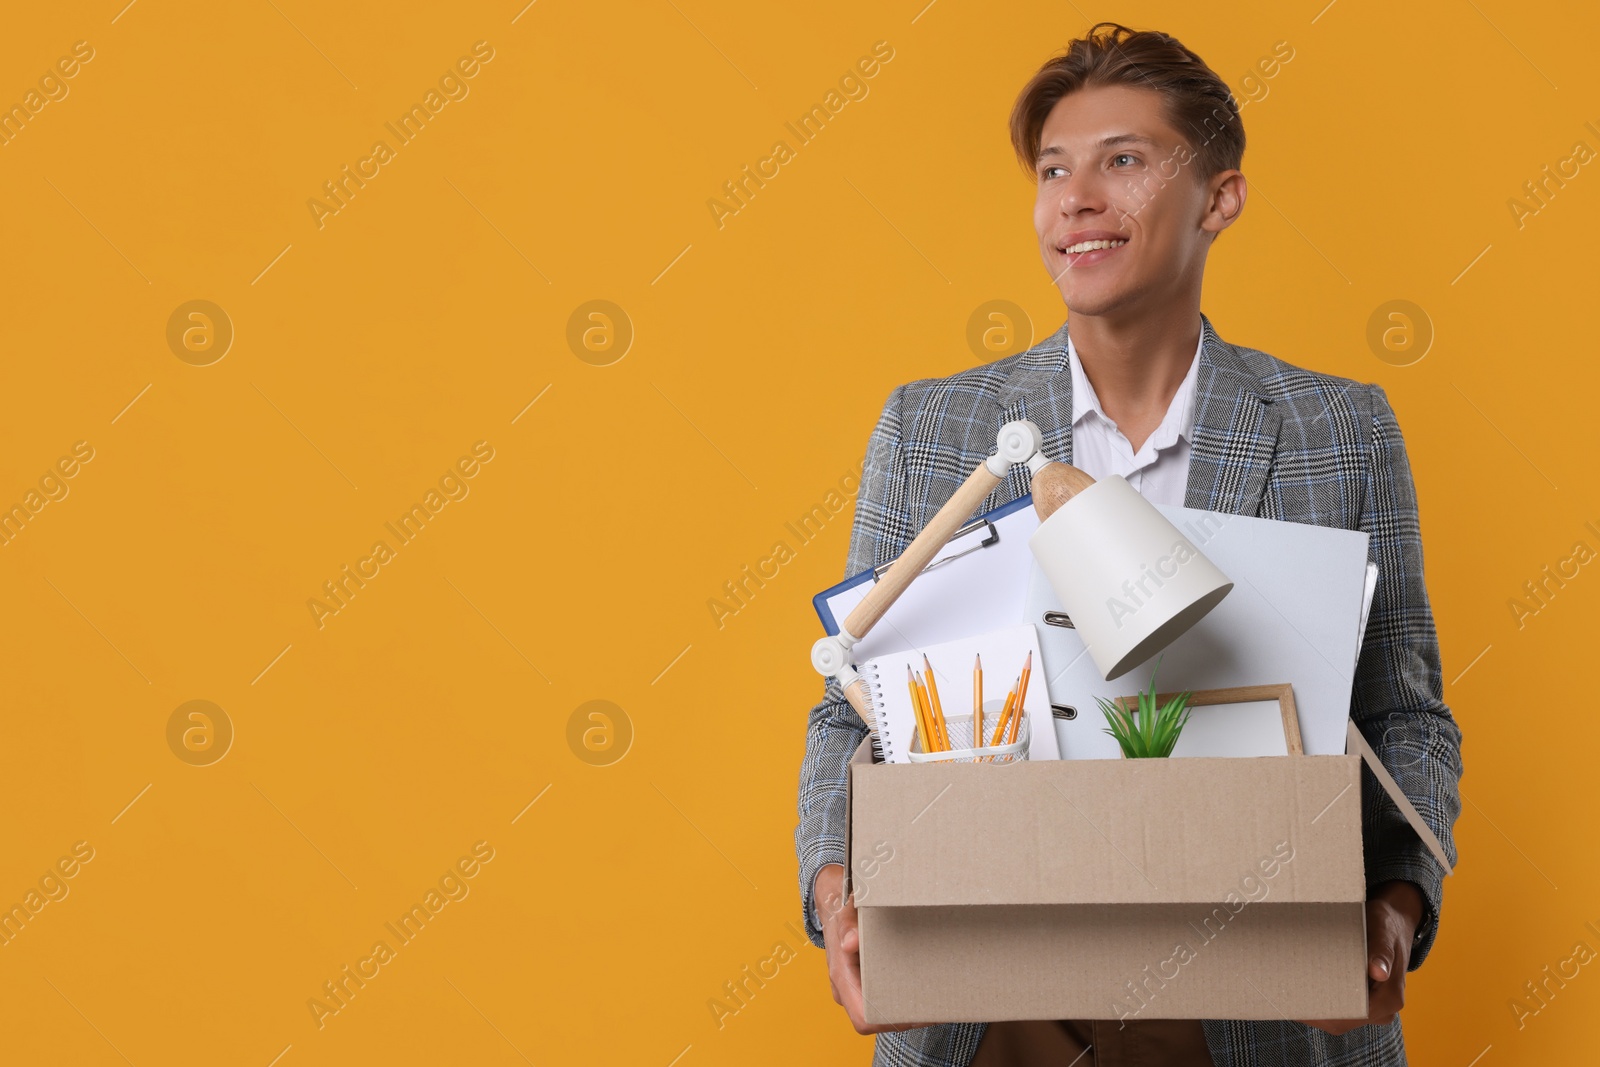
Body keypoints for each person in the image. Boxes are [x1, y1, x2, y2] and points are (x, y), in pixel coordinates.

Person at [794, 22, 1464, 1067]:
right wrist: (837, 892)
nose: (1075, 198)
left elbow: (1404, 715)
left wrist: (1393, 908)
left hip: (1258, 1013)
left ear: (1219, 198)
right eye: (1054, 169)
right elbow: (850, 715)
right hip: (991, 1004)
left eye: (1124, 161)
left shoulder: (1340, 427)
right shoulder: (934, 430)